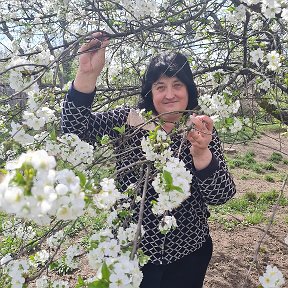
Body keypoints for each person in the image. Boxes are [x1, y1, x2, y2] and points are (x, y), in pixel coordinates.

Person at [61, 32, 236, 288]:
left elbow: (221, 195)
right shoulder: (129, 121)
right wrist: (87, 75)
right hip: (133, 252)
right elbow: (73, 134)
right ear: (149, 91)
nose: (169, 95)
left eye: (177, 85)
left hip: (188, 253)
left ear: (189, 90)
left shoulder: (200, 129)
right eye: (160, 86)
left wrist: (202, 155)